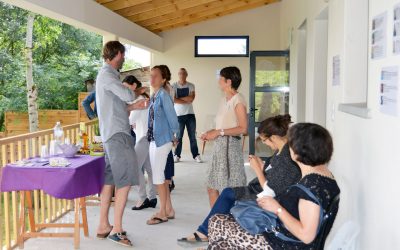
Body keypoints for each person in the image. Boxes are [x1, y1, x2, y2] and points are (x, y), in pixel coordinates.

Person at [207, 123, 341, 249]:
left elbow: (306, 236)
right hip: (284, 236)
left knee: (217, 223)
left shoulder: (311, 187)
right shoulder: (324, 175)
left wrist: (277, 209)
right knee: (220, 234)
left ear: (298, 150)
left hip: (281, 243)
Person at [178, 114, 301, 244]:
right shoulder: (280, 151)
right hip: (259, 189)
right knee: (228, 193)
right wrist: (262, 166)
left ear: (274, 137)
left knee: (228, 194)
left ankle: (204, 232)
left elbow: (272, 192)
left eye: (265, 140)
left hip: (268, 197)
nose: (264, 144)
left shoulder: (287, 158)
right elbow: (275, 175)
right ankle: (206, 231)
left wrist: (258, 169)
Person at [95, 41, 147, 247]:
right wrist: (132, 88)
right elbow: (126, 94)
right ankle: (117, 230)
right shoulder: (107, 75)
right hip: (118, 135)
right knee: (125, 181)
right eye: (122, 55)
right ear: (115, 54)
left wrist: (134, 105)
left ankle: (102, 226)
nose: (124, 58)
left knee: (110, 180)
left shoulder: (108, 77)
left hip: (112, 134)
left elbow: (120, 107)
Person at [200, 66, 248, 208]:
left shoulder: (238, 100)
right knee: (211, 186)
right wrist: (211, 132)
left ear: (228, 81)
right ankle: (215, 221)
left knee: (229, 188)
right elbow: (223, 125)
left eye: (221, 78)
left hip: (229, 148)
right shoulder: (224, 99)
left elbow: (243, 128)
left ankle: (222, 222)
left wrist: (218, 132)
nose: (218, 80)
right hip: (220, 146)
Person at [146, 65, 180, 225]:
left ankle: (162, 212)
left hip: (162, 140)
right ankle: (168, 210)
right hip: (154, 140)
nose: (152, 79)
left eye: (155, 76)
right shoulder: (155, 95)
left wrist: (176, 135)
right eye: (151, 76)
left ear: (164, 79)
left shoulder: (163, 96)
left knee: (158, 177)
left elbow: (173, 117)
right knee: (160, 177)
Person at [126, 76, 157, 210]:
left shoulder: (139, 101)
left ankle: (143, 198)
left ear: (134, 86)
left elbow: (128, 121)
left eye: (126, 87)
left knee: (134, 167)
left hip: (143, 138)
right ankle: (152, 197)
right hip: (148, 137)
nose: (124, 90)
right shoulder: (144, 98)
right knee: (149, 169)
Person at [172, 68, 202, 163]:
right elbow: (173, 99)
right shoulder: (174, 86)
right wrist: (185, 99)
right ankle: (177, 155)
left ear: (186, 74)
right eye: (180, 73)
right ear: (178, 74)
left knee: (192, 136)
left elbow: (191, 99)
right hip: (178, 115)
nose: (182, 75)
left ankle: (196, 155)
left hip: (190, 114)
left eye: (184, 73)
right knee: (179, 136)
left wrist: (179, 98)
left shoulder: (191, 85)